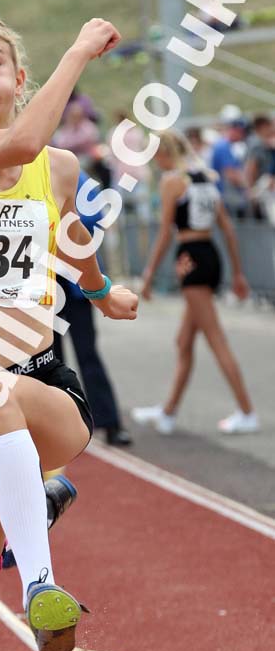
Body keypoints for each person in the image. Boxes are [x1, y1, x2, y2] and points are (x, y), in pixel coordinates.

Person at [0, 9, 137, 651]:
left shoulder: (61, 168)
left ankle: (41, 590)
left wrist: (100, 291)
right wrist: (78, 49)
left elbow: (71, 240)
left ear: (19, 79)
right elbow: (18, 145)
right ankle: (41, 500)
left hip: (46, 389)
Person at [131, 130, 258, 436]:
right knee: (184, 342)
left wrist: (148, 275)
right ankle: (168, 412)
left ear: (163, 154)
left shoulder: (172, 181)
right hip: (210, 254)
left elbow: (164, 233)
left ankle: (247, 411)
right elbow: (226, 229)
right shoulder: (206, 177)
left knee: (215, 339)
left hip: (191, 257)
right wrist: (238, 273)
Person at [54, 171, 132, 447]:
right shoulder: (17, 168)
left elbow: (95, 215)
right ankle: (59, 429)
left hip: (75, 281)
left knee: (87, 353)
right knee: (49, 359)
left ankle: (110, 422)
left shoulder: (67, 168)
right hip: (42, 283)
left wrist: (61, 222)